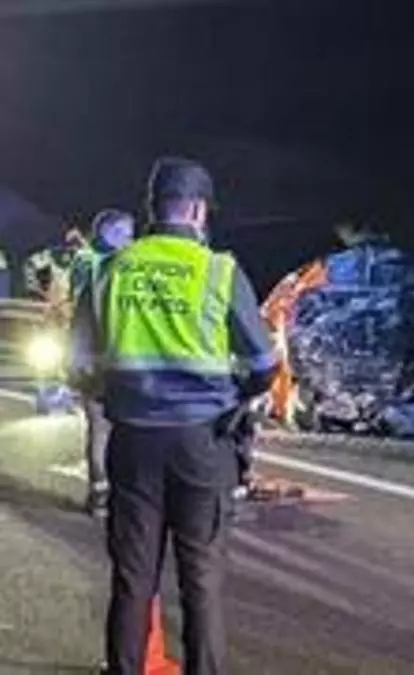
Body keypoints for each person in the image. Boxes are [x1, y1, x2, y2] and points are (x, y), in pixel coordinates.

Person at [68, 156, 278, 674]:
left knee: (133, 578)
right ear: (200, 210)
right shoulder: (219, 271)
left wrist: (117, 394)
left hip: (133, 441)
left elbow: (78, 366)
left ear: (152, 208)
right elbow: (263, 364)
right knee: (201, 580)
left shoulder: (111, 270)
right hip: (202, 443)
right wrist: (233, 395)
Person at [68, 208, 136, 518]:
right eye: (126, 234)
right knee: (114, 430)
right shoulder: (110, 266)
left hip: (93, 359)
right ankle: (111, 491)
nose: (131, 240)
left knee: (99, 430)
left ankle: (99, 493)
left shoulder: (87, 260)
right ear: (110, 234)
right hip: (117, 361)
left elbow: (80, 319)